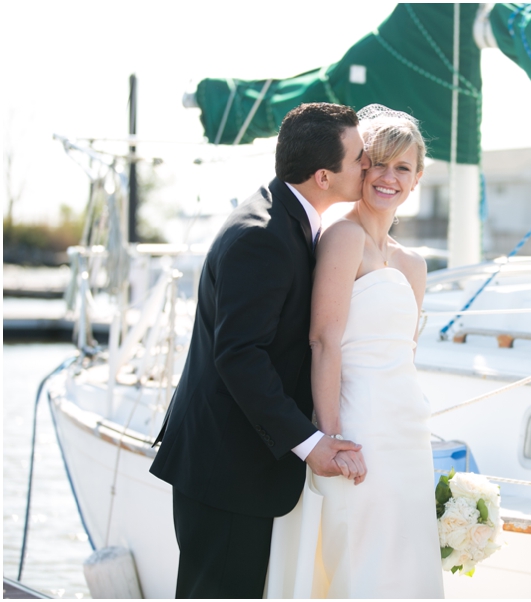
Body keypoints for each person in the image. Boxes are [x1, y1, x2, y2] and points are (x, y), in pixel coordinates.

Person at [149, 103, 371, 599]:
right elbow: (239, 355)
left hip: (241, 466)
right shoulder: (263, 236)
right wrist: (311, 444)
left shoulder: (286, 216)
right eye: (359, 157)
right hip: (227, 467)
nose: (368, 165)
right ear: (322, 176)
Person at [264, 105, 444, 598]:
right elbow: (323, 340)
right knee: (359, 554)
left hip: (406, 427)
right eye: (377, 163)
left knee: (406, 560)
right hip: (358, 421)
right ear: (361, 167)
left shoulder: (413, 264)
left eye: (402, 167)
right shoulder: (343, 237)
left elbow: (405, 353)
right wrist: (331, 434)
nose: (388, 177)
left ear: (417, 177)